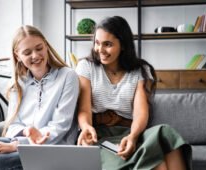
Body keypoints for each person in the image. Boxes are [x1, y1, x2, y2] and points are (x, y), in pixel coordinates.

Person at [75, 16, 191, 170]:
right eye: (97, 43)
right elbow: (84, 109)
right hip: (99, 135)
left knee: (166, 133)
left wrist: (133, 137)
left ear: (123, 45)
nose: (100, 50)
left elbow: (140, 113)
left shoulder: (140, 71)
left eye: (107, 44)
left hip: (131, 133)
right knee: (159, 165)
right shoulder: (86, 67)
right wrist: (86, 127)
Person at [0, 25, 79, 170]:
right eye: (27, 52)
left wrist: (18, 145)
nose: (35, 55)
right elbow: (12, 125)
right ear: (17, 56)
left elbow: (60, 127)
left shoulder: (67, 76)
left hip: (54, 146)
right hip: (22, 141)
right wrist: (26, 133)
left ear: (46, 46)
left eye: (39, 48)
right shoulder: (18, 82)